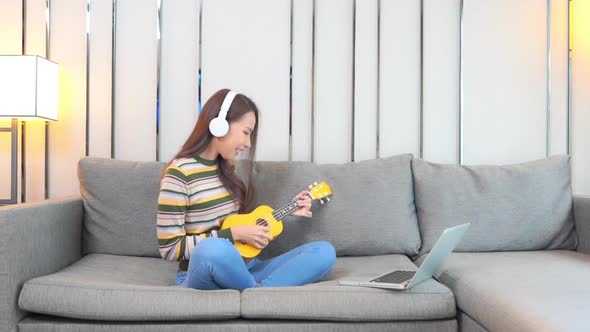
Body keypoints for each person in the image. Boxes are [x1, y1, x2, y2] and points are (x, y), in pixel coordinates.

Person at [157, 88, 336, 291]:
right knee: (212, 249)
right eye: (246, 132)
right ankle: (258, 293)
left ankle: (255, 293)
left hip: (246, 268)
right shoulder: (179, 173)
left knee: (324, 251)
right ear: (219, 125)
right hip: (205, 270)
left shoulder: (228, 170)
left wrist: (288, 211)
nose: (248, 144)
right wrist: (233, 235)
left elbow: (241, 226)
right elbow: (169, 249)